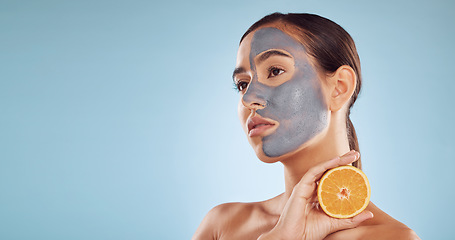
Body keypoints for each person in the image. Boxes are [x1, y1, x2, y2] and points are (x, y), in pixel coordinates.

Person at [193, 13, 420, 240]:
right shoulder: (223, 226)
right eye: (242, 84)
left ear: (339, 87)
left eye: (274, 71)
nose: (248, 98)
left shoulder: (393, 237)